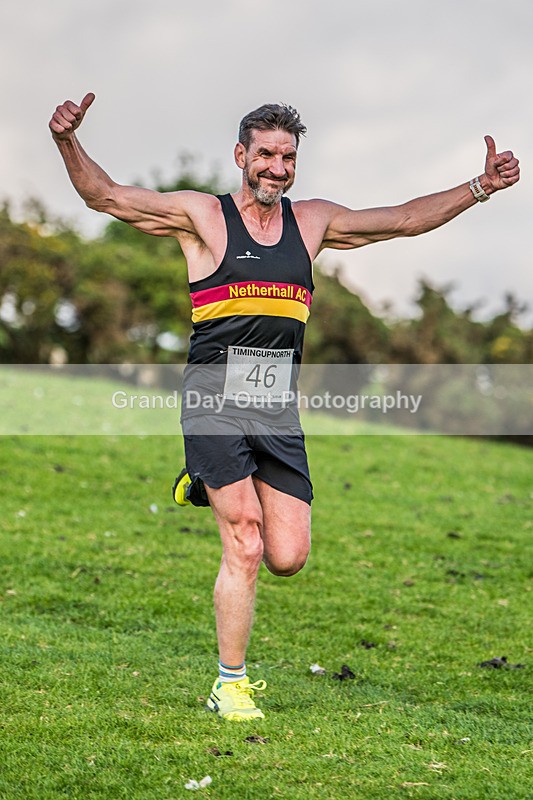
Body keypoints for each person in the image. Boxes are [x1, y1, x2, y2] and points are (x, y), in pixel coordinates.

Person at [49, 94, 520, 721]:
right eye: (265, 154)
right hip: (213, 400)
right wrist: (67, 143)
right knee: (243, 541)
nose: (276, 167)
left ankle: (204, 481)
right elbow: (105, 196)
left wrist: (480, 186)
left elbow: (403, 219)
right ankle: (230, 683)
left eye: (288, 157)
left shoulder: (313, 223)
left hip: (275, 410)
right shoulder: (202, 217)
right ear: (241, 155)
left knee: (286, 556)